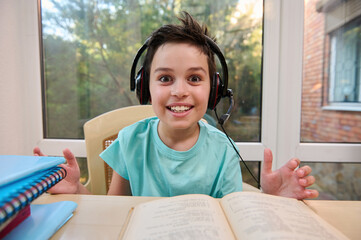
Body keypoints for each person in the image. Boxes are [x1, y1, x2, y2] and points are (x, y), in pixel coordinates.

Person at [34, 12, 318, 200]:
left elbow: (234, 217)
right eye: (165, 78)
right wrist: (77, 192)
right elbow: (114, 209)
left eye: (194, 78)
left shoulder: (222, 150)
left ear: (214, 90)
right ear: (145, 86)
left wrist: (269, 202)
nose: (179, 91)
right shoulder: (130, 141)